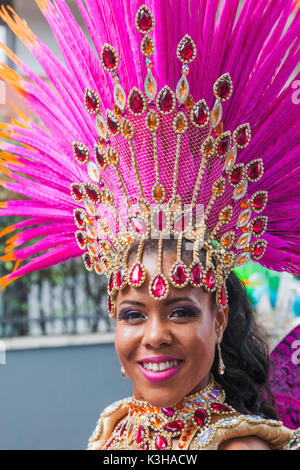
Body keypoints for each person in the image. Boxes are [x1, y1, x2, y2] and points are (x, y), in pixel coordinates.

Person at [0, 0, 299, 451]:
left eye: (181, 311)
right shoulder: (114, 432)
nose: (154, 335)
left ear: (219, 320)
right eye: (132, 315)